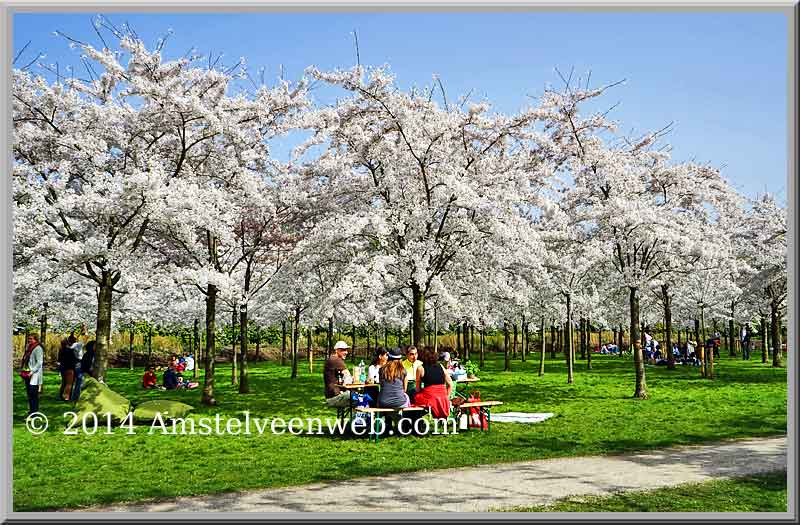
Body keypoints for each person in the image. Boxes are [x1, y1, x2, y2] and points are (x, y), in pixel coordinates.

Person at [413, 347, 453, 419]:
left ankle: (417, 421)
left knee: (415, 397)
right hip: (442, 397)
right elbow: (450, 383)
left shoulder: (420, 368)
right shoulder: (440, 366)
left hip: (430, 398)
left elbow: (417, 389)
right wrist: (447, 397)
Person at [20, 333, 44, 416]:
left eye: (31, 339)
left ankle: (34, 412)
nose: (29, 340)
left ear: (35, 339)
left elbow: (39, 362)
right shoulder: (30, 348)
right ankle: (31, 411)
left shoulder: (38, 348)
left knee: (33, 395)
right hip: (28, 373)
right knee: (29, 394)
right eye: (29, 339)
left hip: (34, 375)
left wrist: (32, 371)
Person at [323, 341, 353, 408]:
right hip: (335, 397)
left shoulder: (332, 358)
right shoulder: (336, 360)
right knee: (362, 399)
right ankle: (361, 418)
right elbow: (349, 377)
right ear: (337, 350)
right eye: (343, 350)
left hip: (331, 395)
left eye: (346, 350)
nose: (346, 352)